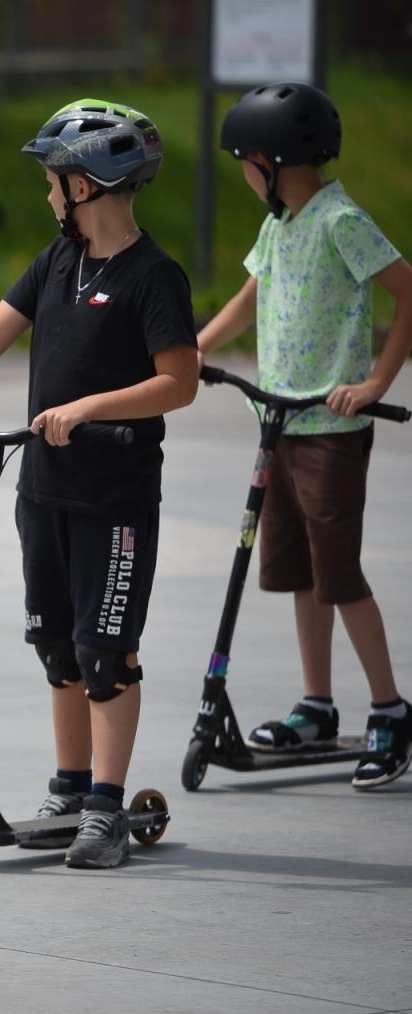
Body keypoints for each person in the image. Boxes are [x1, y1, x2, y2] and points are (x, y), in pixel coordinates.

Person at [0, 100, 199, 868]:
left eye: (55, 179)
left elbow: (178, 382)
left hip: (113, 500)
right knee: (57, 646)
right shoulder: (59, 260)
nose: (48, 194)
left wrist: (89, 408)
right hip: (44, 490)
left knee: (106, 654)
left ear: (87, 185)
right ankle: (70, 786)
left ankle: (108, 810)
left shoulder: (155, 277)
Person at [196, 82, 412, 790]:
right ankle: (317, 703)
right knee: (301, 574)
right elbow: (251, 295)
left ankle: (389, 708)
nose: (242, 172)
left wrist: (377, 382)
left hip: (329, 426)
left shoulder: (339, 219)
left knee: (339, 573)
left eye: (243, 161)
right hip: (279, 422)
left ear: (269, 158)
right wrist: (195, 349)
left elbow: (408, 290)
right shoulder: (281, 223)